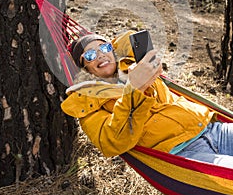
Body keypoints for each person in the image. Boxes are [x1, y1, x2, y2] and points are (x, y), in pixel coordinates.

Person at [61, 30, 233, 168]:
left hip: (211, 128)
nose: (100, 55)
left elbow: (128, 38)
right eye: (90, 55)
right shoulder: (87, 103)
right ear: (84, 67)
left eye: (104, 48)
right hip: (183, 154)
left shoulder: (134, 66)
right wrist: (134, 90)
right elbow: (111, 142)